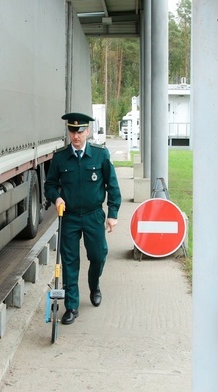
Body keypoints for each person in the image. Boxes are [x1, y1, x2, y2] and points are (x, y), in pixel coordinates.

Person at [44, 112, 121, 325]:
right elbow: (49, 185)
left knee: (98, 256)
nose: (75, 136)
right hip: (69, 217)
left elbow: (112, 186)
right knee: (69, 262)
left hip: (93, 215)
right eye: (72, 131)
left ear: (87, 131)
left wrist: (112, 214)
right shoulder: (60, 158)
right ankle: (72, 306)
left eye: (80, 131)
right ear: (68, 132)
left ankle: (94, 284)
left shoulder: (100, 155)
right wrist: (56, 198)